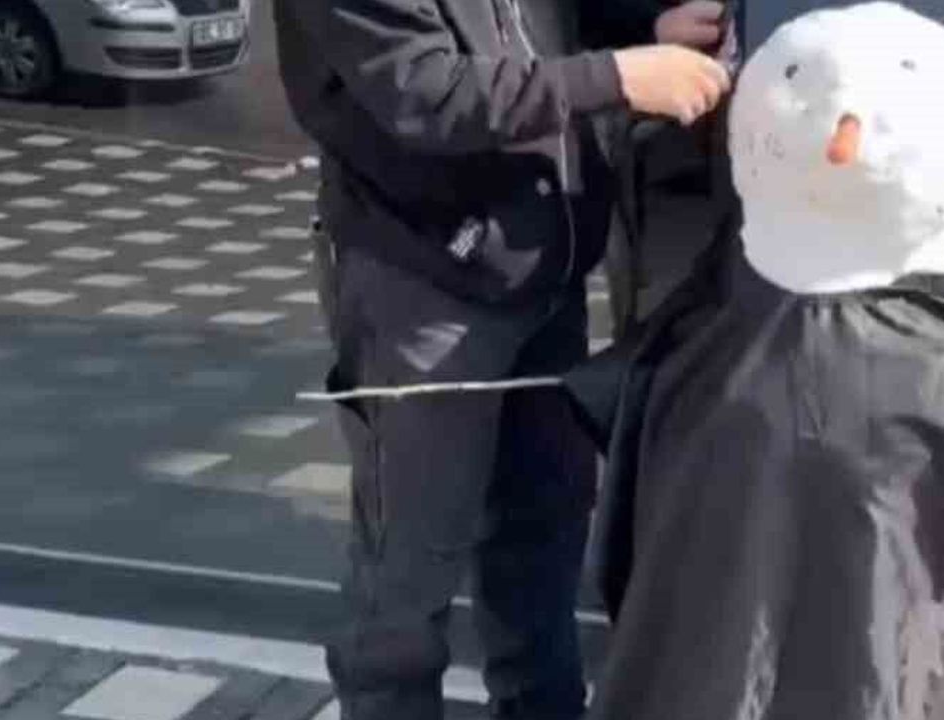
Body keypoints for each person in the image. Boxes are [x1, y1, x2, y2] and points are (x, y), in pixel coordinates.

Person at [270, 1, 732, 718]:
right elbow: (423, 90)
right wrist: (619, 75)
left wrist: (646, 32)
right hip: (423, 282)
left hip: (544, 269)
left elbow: (543, 24)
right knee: (410, 566)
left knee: (542, 533)